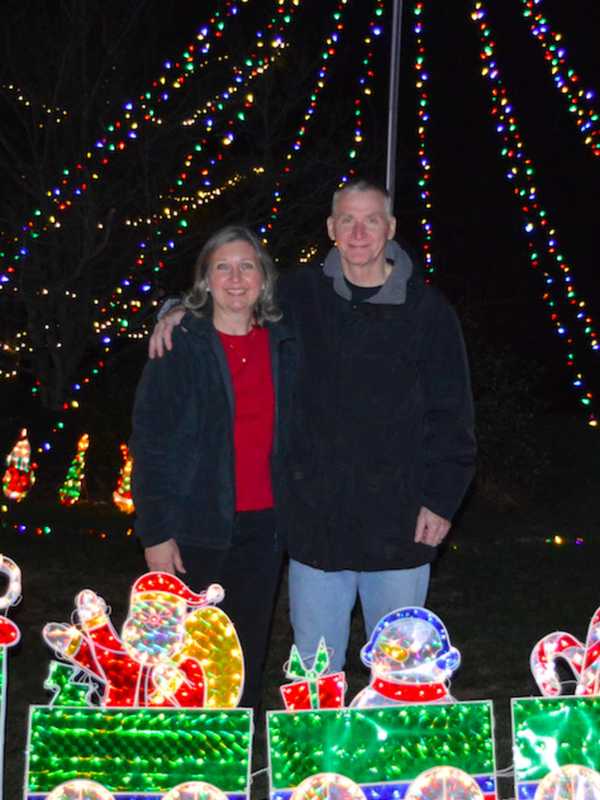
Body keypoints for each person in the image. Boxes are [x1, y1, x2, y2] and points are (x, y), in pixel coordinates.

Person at [149, 180, 476, 673]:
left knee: (403, 670)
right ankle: (320, 753)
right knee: (315, 668)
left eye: (371, 220)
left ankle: (387, 752)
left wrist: (443, 497)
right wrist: (175, 311)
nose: (359, 231)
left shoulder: (429, 312)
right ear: (331, 229)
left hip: (401, 524)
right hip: (316, 527)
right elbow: (235, 294)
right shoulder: (300, 296)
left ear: (390, 228)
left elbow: (454, 414)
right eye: (347, 219)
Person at [131, 225, 295, 710]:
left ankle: (233, 766)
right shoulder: (179, 345)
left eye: (248, 266)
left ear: (264, 280)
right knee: (182, 658)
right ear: (205, 282)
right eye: (222, 267)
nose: (236, 277)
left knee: (244, 653)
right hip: (192, 531)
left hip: (263, 530)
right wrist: (155, 533)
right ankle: (181, 764)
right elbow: (151, 442)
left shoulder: (285, 346)